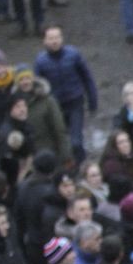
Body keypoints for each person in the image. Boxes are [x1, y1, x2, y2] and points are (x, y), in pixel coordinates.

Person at [34, 26, 99, 165]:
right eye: (51, 38)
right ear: (45, 41)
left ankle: (82, 166)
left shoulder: (73, 54)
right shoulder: (40, 61)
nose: (54, 41)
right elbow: (37, 87)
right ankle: (66, 168)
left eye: (57, 37)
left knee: (76, 140)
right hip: (55, 107)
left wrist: (93, 99)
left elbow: (87, 77)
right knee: (61, 139)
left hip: (75, 102)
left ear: (62, 38)